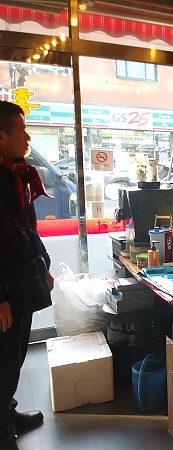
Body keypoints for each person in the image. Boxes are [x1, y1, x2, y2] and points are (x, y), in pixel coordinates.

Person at [0, 101, 54, 448]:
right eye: (22, 131)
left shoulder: (15, 173)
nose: (28, 138)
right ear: (1, 136)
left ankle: (7, 412)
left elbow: (26, 230)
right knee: (3, 363)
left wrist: (42, 265)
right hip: (6, 290)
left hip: (20, 281)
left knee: (15, 357)